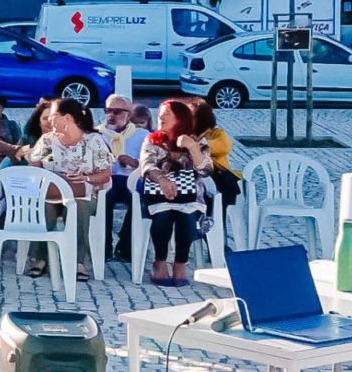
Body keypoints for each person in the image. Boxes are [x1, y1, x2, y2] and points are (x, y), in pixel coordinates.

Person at [23, 98, 112, 282]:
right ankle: (40, 259)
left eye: (54, 116)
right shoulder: (48, 140)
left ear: (68, 118)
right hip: (52, 193)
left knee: (79, 204)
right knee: (46, 205)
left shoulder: (93, 141)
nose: (50, 120)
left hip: (83, 194)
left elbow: (105, 175)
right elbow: (36, 165)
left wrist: (85, 178)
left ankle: (78, 261)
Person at [139, 98, 215, 287]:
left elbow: (205, 170)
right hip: (158, 196)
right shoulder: (151, 140)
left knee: (186, 218)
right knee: (163, 218)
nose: (161, 118)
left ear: (180, 118)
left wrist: (192, 147)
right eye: (160, 114)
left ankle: (180, 263)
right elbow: (146, 165)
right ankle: (160, 262)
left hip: (190, 198)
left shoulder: (198, 140)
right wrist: (162, 179)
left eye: (166, 114)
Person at [101, 95, 151, 262]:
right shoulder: (99, 134)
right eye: (107, 111)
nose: (110, 116)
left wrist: (134, 162)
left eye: (116, 112)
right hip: (107, 180)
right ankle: (103, 246)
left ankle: (126, 246)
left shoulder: (143, 135)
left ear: (129, 115)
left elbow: (150, 163)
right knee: (104, 198)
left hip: (133, 181)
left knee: (140, 199)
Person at [189, 96, 241, 213]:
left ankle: (213, 223)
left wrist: (196, 145)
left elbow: (224, 146)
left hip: (216, 178)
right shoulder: (183, 134)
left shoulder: (216, 133)